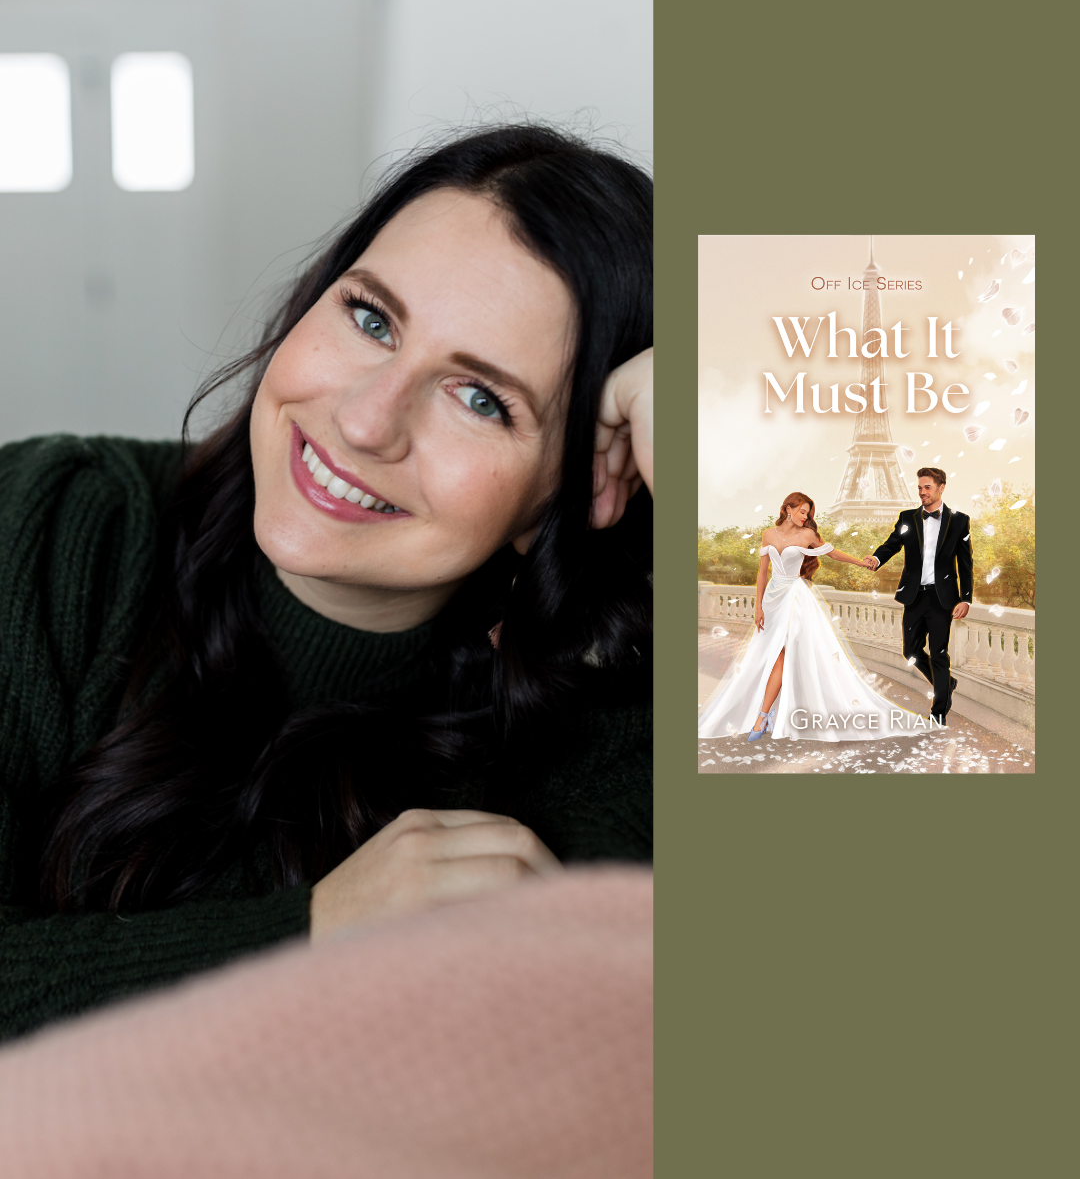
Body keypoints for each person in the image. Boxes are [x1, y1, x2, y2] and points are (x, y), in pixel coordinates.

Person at [0, 124, 653, 1042]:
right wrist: (310, 937)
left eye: (480, 399)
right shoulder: (58, 522)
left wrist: (731, 448)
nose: (364, 420)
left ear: (575, 491)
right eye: (371, 318)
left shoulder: (607, 722)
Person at [698, 492, 932, 743]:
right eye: (802, 511)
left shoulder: (807, 535)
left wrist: (862, 563)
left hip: (795, 599)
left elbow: (832, 553)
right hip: (773, 600)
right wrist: (759, 607)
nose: (806, 516)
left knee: (785, 655)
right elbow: (762, 573)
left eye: (808, 512)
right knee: (774, 657)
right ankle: (771, 713)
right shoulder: (768, 534)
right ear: (788, 508)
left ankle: (763, 715)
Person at [863, 467, 972, 726]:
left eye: (927, 487)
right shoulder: (908, 517)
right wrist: (877, 558)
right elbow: (892, 543)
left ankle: (939, 713)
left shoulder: (959, 520)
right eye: (920, 487)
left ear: (941, 487)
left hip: (942, 598)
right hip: (914, 595)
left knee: (938, 653)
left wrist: (965, 598)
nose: (922, 492)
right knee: (910, 650)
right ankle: (946, 683)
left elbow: (965, 562)